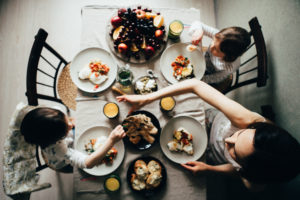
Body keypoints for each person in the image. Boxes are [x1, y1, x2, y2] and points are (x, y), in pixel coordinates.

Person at [116, 79, 300, 190]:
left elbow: (237, 172)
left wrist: (210, 169)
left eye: (235, 152)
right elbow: (196, 85)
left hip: (212, 156)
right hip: (211, 120)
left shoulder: (255, 182)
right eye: (239, 134)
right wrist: (147, 98)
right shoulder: (252, 122)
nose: (228, 139)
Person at [20, 107, 125, 170]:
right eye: (67, 128)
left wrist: (68, 122)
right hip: (60, 161)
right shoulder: (60, 150)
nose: (71, 124)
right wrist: (111, 141)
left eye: (67, 120)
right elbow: (88, 163)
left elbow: (68, 121)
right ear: (58, 139)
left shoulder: (53, 114)